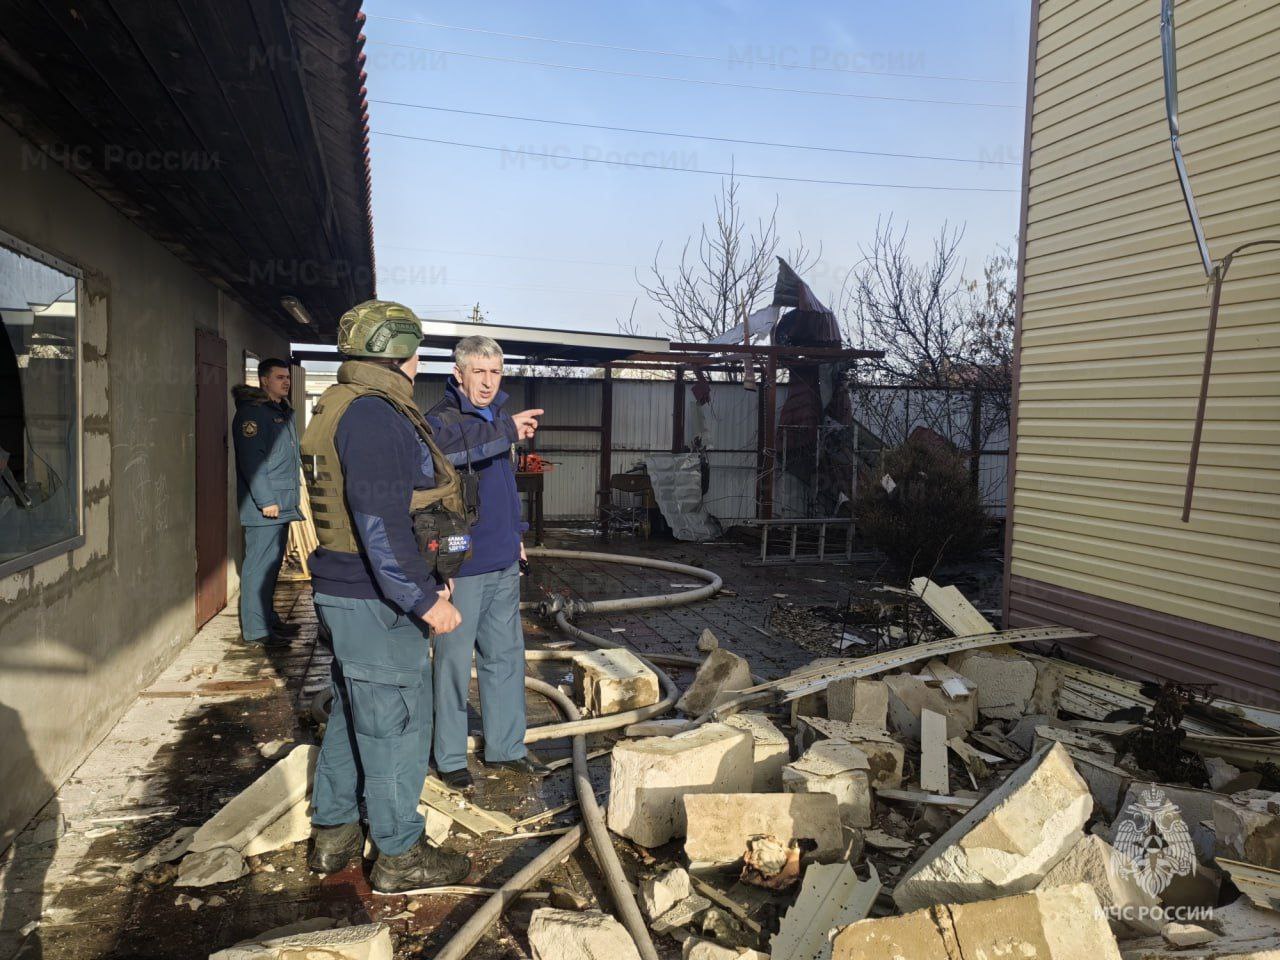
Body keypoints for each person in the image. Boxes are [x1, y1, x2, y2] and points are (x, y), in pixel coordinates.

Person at [301, 300, 472, 894]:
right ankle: (400, 855)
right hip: (376, 601)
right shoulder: (375, 417)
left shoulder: (338, 403)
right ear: (400, 356)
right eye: (417, 353)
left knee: (352, 715)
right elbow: (379, 523)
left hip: (345, 591)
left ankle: (334, 835)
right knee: (396, 727)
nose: (419, 363)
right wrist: (426, 600)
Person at [426, 335, 545, 790]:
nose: (488, 381)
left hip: (501, 558)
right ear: (459, 374)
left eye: (495, 372)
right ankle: (451, 756)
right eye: (479, 371)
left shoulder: (498, 417)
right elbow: (455, 454)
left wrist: (516, 537)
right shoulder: (442, 422)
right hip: (462, 565)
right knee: (453, 663)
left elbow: (501, 488)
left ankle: (506, 748)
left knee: (506, 657)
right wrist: (439, 572)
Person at [231, 358, 301, 647]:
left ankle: (268, 619)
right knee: (258, 568)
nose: (285, 382)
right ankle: (256, 631)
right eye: (279, 377)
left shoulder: (281, 412)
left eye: (287, 377)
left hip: (282, 502)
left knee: (271, 568)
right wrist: (266, 500)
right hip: (267, 506)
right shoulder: (253, 414)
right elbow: (252, 461)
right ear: (263, 380)